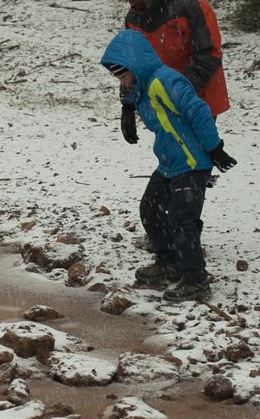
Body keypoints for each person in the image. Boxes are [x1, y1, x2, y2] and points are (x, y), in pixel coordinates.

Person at [101, 29, 236, 303]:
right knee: (149, 209)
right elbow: (133, 95)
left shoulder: (166, 81)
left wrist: (215, 149)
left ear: (135, 66)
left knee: (182, 220)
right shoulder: (142, 86)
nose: (122, 82)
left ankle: (196, 280)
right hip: (170, 161)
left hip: (192, 162)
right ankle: (169, 261)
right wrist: (127, 111)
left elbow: (198, 111)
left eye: (123, 75)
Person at [114, 0, 230, 129]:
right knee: (170, 146)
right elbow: (133, 66)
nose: (133, 2)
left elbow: (209, 55)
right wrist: (128, 106)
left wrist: (176, 91)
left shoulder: (191, 8)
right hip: (163, 101)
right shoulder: (134, 19)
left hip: (199, 98)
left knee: (195, 146)